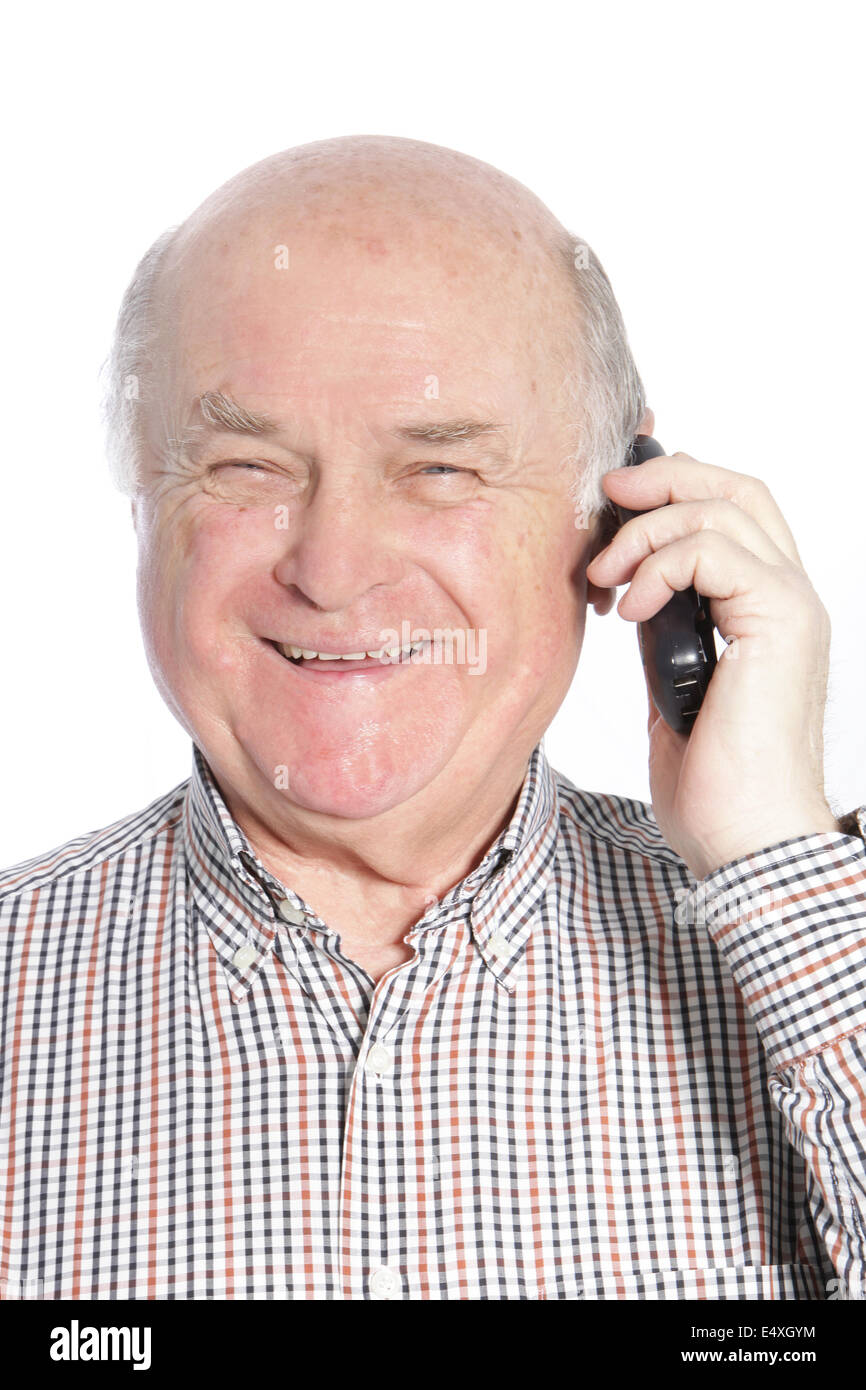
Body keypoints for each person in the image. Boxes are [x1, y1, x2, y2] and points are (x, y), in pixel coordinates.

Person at [1, 135, 864, 1302]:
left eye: (440, 469)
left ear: (626, 506)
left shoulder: (813, 971)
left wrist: (773, 857)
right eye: (246, 465)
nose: (333, 569)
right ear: (145, 498)